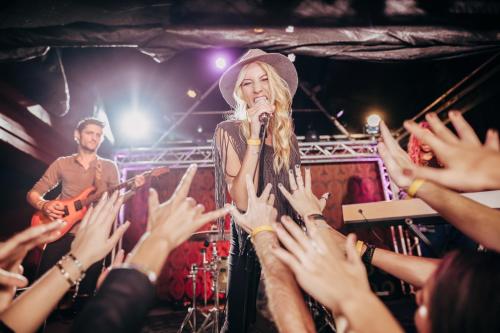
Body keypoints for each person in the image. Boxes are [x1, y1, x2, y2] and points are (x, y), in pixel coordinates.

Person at [213, 49, 328, 332]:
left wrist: (310, 211)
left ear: (274, 85)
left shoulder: (286, 136)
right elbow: (240, 199)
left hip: (290, 241)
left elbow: (294, 192)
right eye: (247, 83)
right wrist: (253, 138)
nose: (257, 89)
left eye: (263, 80)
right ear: (241, 92)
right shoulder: (227, 131)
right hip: (253, 248)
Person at [26, 117, 143, 296]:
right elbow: (34, 193)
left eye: (98, 135)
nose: (94, 137)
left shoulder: (109, 167)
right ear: (77, 135)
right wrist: (44, 204)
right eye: (89, 133)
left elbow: (116, 200)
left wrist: (133, 189)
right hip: (61, 232)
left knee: (86, 294)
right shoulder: (62, 163)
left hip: (93, 235)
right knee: (41, 287)